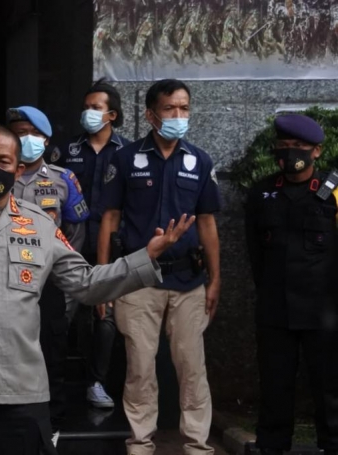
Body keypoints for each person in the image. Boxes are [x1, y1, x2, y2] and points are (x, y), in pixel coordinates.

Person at [0, 124, 196, 455]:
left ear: (18, 169)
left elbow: (87, 283)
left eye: (3, 160)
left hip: (19, 388)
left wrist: (145, 257)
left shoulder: (40, 223)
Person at [97, 78, 221, 455]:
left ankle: (197, 445)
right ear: (151, 114)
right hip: (138, 278)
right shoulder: (125, 159)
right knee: (139, 367)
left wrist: (215, 279)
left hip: (188, 279)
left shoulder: (198, 161)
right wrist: (104, 280)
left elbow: (207, 224)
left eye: (184, 108)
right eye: (170, 109)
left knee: (191, 366)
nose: (178, 116)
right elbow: (109, 219)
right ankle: (140, 442)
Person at [244, 114, 338, 455]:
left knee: (329, 387)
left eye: (298, 147)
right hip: (275, 308)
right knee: (275, 386)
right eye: (283, 147)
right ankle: (272, 446)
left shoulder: (334, 191)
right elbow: (255, 252)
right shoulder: (262, 193)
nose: (290, 153)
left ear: (316, 151)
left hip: (324, 311)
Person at [7, 106, 89, 445]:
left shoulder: (63, 179)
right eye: (17, 132)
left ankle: (52, 423)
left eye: (31, 132)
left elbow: (76, 229)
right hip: (7, 282)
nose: (24, 139)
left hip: (49, 283)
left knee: (51, 353)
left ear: (45, 138)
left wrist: (65, 277)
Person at [50, 80, 131, 409]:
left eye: (96, 107)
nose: (89, 113)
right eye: (86, 106)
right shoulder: (66, 151)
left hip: (109, 244)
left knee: (105, 314)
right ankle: (50, 383)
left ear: (112, 114)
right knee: (61, 314)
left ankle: (96, 383)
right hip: (70, 241)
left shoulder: (127, 153)